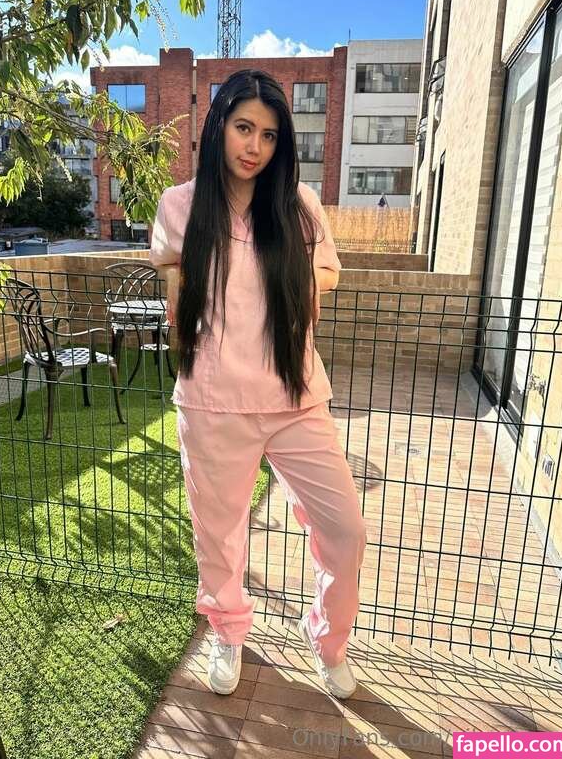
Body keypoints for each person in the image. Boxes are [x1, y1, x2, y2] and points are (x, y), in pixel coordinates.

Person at [149, 68, 367, 699]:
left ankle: (328, 638)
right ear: (218, 125)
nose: (255, 147)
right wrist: (178, 287)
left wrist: (293, 279)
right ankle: (227, 631)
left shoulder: (297, 204)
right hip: (213, 399)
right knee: (218, 535)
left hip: (295, 396)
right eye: (244, 128)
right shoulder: (180, 205)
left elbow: (328, 273)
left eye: (269, 135)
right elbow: (169, 271)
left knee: (345, 531)